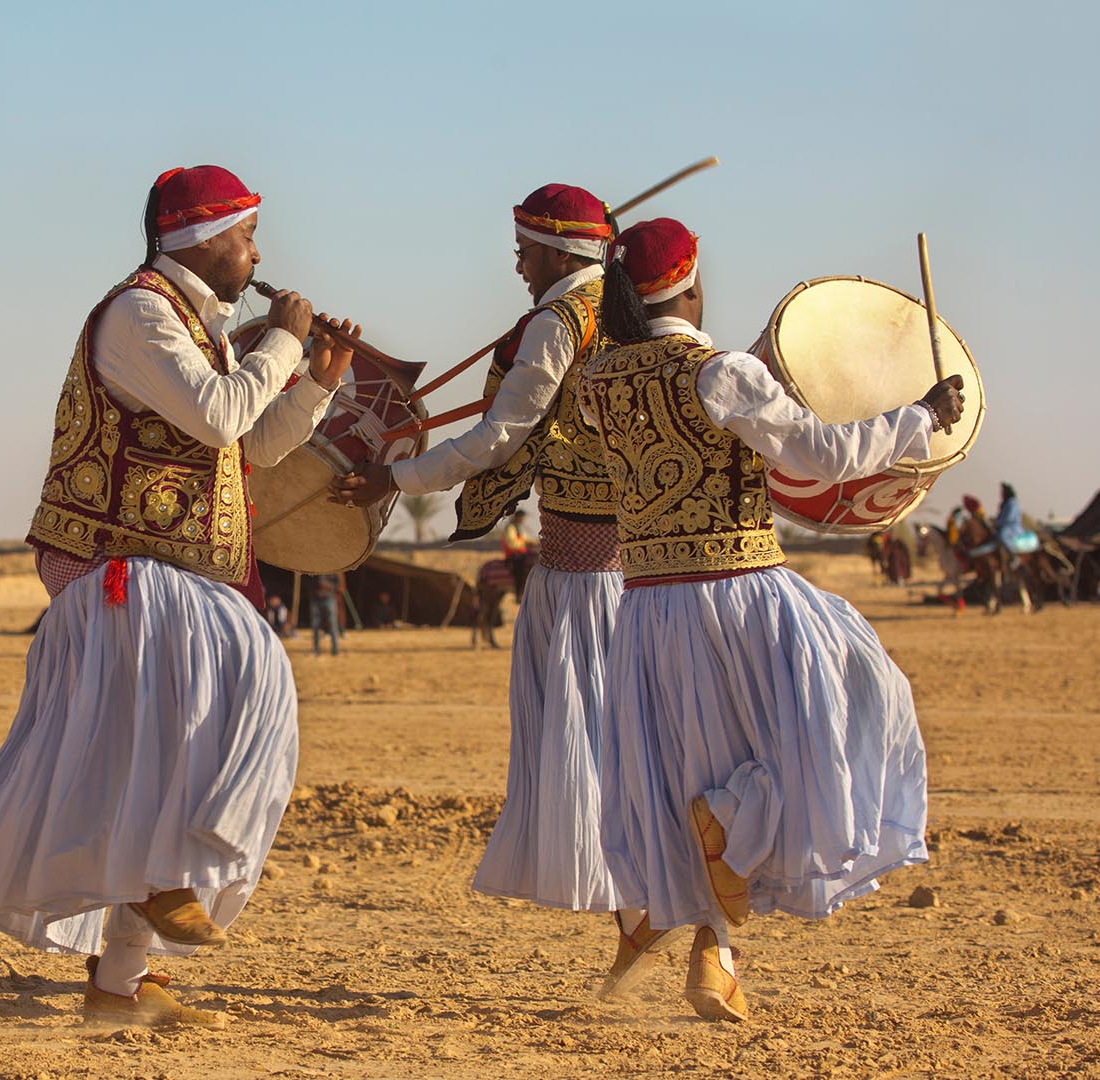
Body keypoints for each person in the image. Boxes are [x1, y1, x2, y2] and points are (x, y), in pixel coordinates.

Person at [0, 165, 355, 1025]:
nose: (258, 254)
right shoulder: (141, 313)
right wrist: (282, 342)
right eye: (248, 236)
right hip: (115, 565)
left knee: (235, 707)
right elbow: (221, 415)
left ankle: (121, 984)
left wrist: (318, 379)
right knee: (218, 699)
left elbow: (244, 451)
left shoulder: (196, 328)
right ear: (204, 239)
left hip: (171, 571)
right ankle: (163, 876)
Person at [579, 218, 966, 1023]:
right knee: (850, 704)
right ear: (692, 283)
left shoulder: (599, 382)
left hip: (649, 608)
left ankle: (706, 948)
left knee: (690, 764)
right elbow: (819, 455)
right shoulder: (718, 373)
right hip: (738, 593)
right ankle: (727, 829)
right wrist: (919, 416)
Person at [332, 184, 650, 995]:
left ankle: (649, 919)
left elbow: (500, 436)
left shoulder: (557, 322)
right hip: (651, 575)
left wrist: (391, 478)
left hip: (585, 588)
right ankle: (664, 925)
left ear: (556, 253)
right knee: (648, 752)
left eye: (526, 248)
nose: (516, 261)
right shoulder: (632, 314)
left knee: (602, 755)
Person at [501, 509, 535, 596]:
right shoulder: (510, 528)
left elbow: (525, 539)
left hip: (522, 553)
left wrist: (535, 542)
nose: (523, 519)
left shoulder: (519, 527)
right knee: (520, 569)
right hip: (514, 555)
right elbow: (512, 543)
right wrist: (525, 543)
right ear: (517, 517)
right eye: (522, 517)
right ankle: (518, 593)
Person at [310, 571, 344, 656]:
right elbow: (308, 581)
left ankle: (335, 650)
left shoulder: (335, 569)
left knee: (332, 624)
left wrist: (328, 585)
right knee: (315, 625)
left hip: (329, 598)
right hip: (316, 598)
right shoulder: (313, 567)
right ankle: (316, 650)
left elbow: (340, 587)